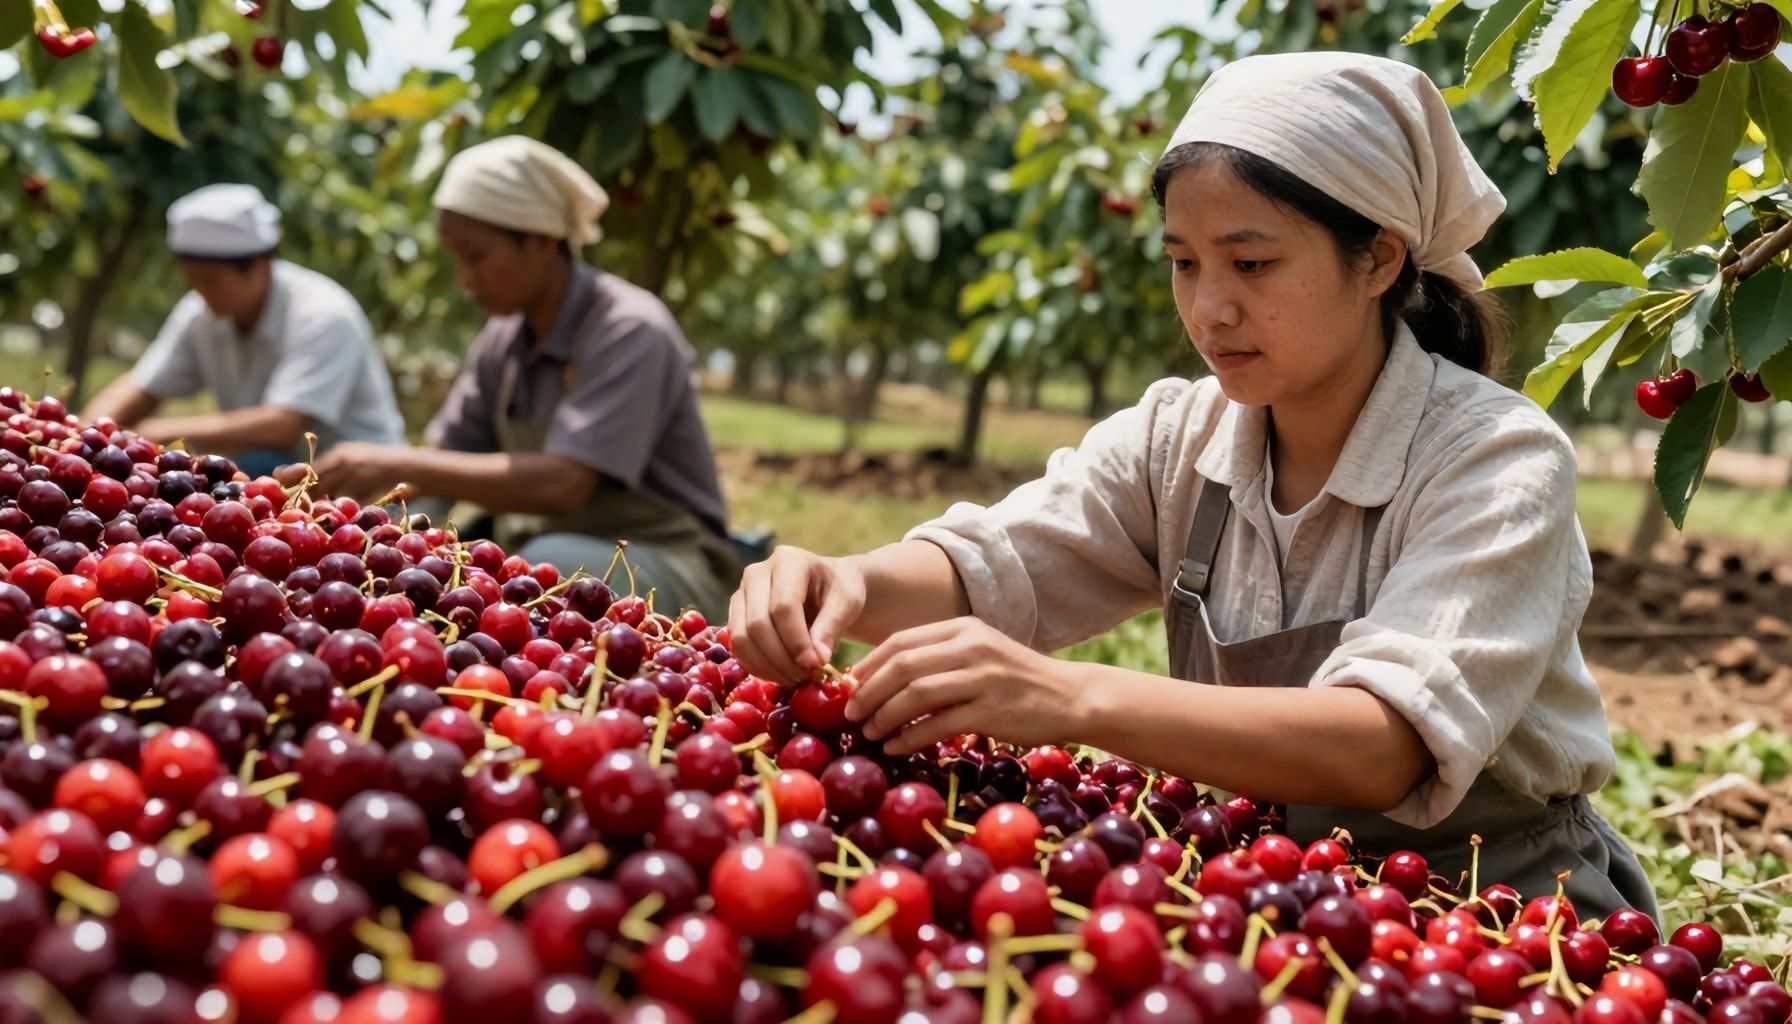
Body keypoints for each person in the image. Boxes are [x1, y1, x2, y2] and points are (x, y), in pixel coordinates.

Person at [729, 53, 1656, 918]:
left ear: (1376, 259)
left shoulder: (1496, 457)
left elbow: (1384, 744)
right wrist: (846, 580)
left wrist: (1068, 697)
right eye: (1183, 262)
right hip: (1272, 885)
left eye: (1251, 263)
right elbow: (1004, 562)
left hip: (1499, 900)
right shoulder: (1181, 436)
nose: (1210, 307)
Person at [310, 136, 739, 618]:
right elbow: (443, 465)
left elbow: (564, 484)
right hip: (545, 549)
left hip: (664, 555)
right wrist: (350, 518)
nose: (464, 280)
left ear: (540, 240)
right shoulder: (503, 338)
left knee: (544, 572)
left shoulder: (628, 328)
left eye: (475, 256)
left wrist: (394, 463)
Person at [84, 183, 405, 476]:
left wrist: (148, 435)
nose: (201, 292)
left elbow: (281, 427)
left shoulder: (324, 313)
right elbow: (143, 387)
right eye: (191, 279)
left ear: (260, 266)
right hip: (272, 469)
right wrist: (90, 434)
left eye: (211, 280)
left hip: (356, 486)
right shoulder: (201, 310)